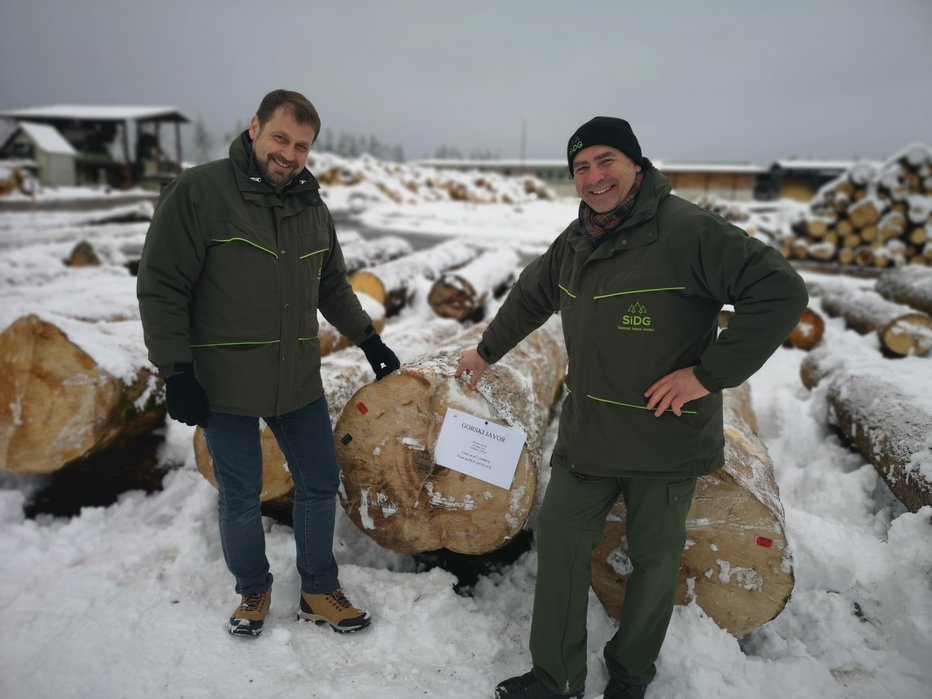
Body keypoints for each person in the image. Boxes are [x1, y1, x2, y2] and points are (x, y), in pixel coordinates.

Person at [455, 116, 808, 698]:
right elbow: (530, 295)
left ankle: (630, 674)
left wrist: (707, 375)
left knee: (653, 561)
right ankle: (555, 675)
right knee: (562, 541)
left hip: (663, 438)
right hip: (589, 433)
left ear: (636, 165)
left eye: (605, 161)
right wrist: (486, 351)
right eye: (581, 168)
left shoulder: (688, 231)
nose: (594, 177)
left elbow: (780, 290)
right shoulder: (575, 241)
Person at [137, 89, 400, 638]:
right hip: (223, 383)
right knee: (240, 493)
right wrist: (176, 371)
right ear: (255, 127)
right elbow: (161, 287)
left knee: (319, 481)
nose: (290, 153)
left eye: (302, 146)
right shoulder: (199, 193)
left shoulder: (311, 206)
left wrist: (367, 340)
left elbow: (330, 284)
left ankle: (316, 588)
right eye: (281, 138)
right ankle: (252, 589)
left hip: (295, 377)